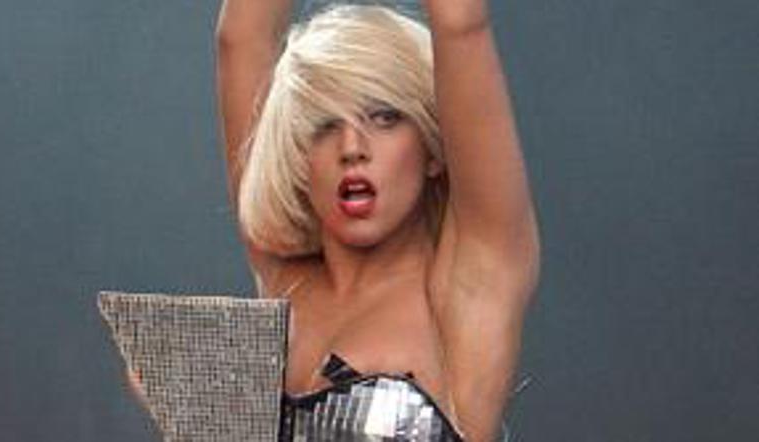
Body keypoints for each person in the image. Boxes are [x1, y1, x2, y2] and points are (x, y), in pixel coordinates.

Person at [216, 0, 540, 440]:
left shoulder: (467, 293)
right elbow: (239, 40)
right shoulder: (285, 278)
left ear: (432, 147)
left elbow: (460, 23)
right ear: (297, 156)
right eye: (324, 125)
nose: (352, 147)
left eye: (385, 117)